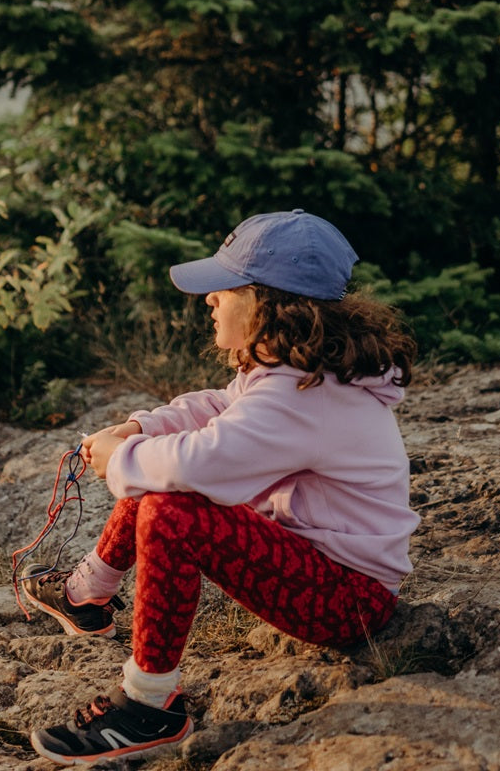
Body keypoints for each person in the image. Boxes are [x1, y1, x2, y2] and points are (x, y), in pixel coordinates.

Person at [22, 208, 419, 765]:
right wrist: (141, 427)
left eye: (224, 288)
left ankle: (149, 706)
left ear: (268, 302)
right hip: (317, 567)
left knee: (170, 505)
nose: (209, 300)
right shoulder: (299, 372)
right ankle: (86, 594)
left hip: (348, 601)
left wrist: (121, 456)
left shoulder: (301, 399)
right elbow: (220, 406)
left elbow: (199, 465)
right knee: (156, 471)